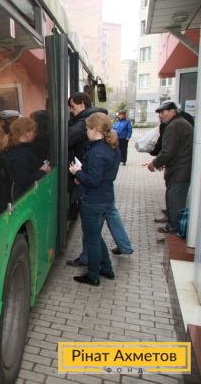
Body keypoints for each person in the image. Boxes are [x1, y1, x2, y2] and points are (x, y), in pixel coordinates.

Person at [66, 93, 133, 265]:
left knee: (91, 230)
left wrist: (79, 174)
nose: (71, 110)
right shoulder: (106, 137)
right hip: (104, 190)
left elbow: (67, 139)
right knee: (109, 214)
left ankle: (89, 261)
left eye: (72, 106)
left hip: (93, 189)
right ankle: (123, 248)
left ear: (82, 104)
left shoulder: (86, 123)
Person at [68, 112, 123, 286]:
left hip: (93, 201)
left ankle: (93, 276)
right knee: (96, 237)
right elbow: (104, 176)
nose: (86, 132)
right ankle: (106, 269)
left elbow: (93, 180)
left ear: (95, 129)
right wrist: (83, 176)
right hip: (106, 198)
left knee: (92, 240)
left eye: (87, 128)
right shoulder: (113, 147)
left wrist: (77, 172)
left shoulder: (96, 152)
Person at [145, 100, 193, 235]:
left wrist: (155, 163)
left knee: (175, 201)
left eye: (162, 112)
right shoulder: (179, 123)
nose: (160, 115)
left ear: (173, 111)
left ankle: (174, 229)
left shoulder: (174, 125)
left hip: (180, 171)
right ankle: (172, 226)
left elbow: (167, 151)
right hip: (179, 169)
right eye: (159, 112)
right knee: (172, 199)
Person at [4, 117, 51, 201]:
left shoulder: (20, 150)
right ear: (26, 133)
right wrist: (42, 171)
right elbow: (23, 181)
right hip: (24, 197)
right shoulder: (19, 154)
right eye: (33, 131)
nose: (35, 134)